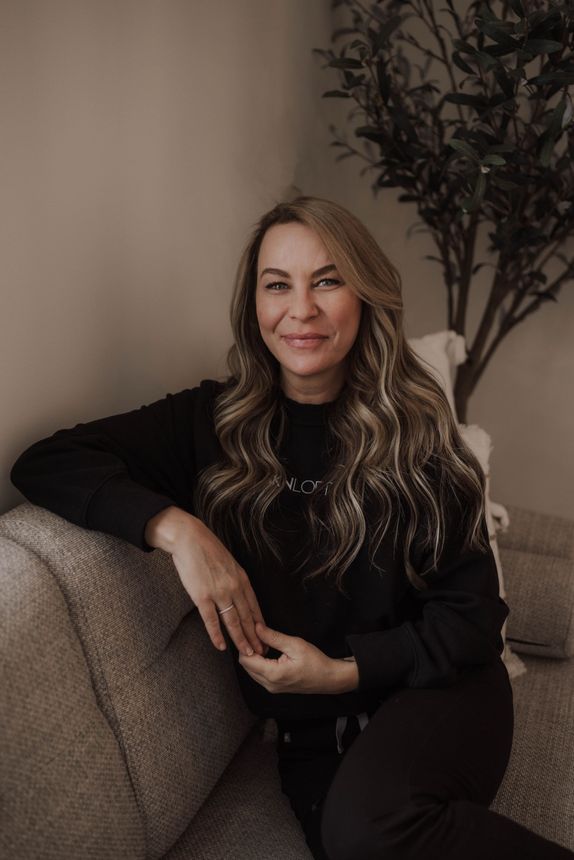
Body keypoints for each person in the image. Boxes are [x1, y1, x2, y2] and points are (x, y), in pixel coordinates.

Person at [10, 196, 574, 860]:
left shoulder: (419, 434)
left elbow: (474, 618)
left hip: (439, 690)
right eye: (278, 284)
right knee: (354, 841)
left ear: (364, 298)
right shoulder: (211, 422)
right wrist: (177, 529)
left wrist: (340, 674)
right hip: (315, 732)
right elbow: (45, 461)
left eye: (327, 281)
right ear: (254, 306)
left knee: (369, 831)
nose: (299, 309)